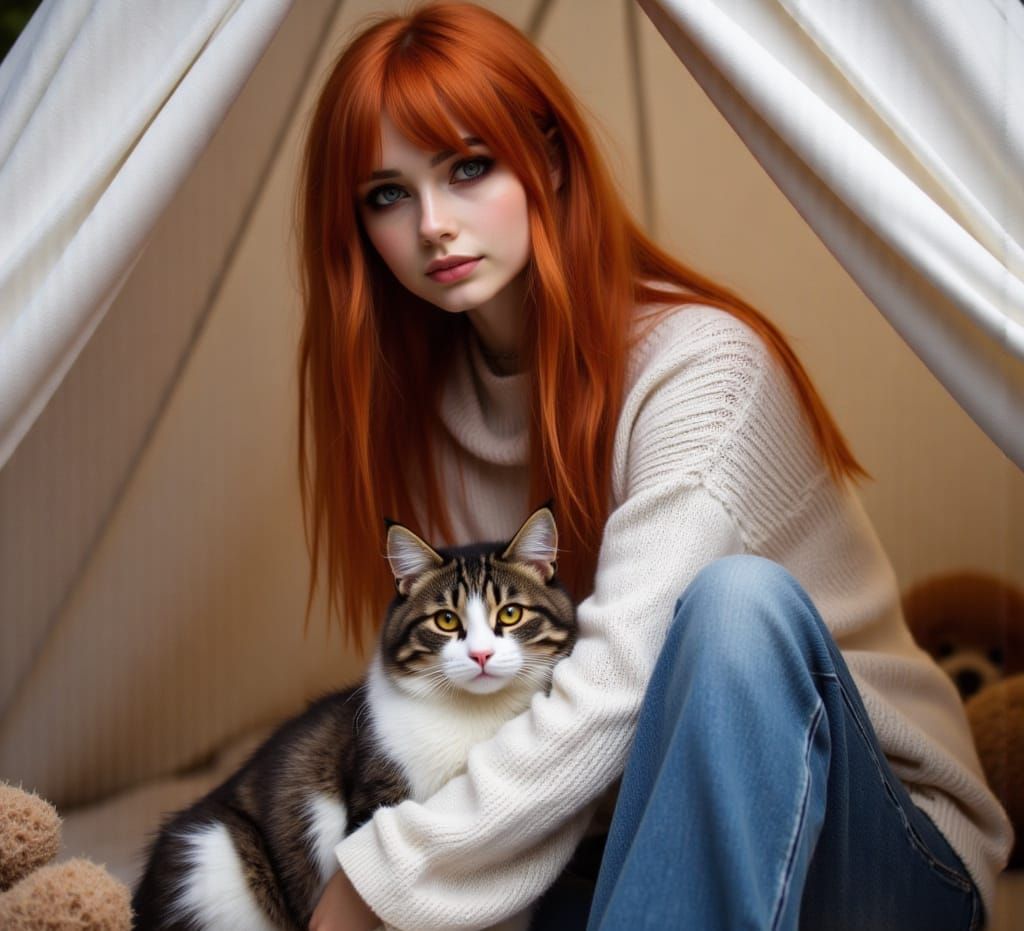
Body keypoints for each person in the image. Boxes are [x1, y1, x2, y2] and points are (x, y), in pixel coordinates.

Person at [295, 4, 1012, 929]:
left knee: (733, 608)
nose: (433, 223)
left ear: (547, 160)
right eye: (386, 194)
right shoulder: (419, 413)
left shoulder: (701, 368)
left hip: (886, 845)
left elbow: (617, 682)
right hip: (631, 831)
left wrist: (380, 880)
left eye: (469, 167)